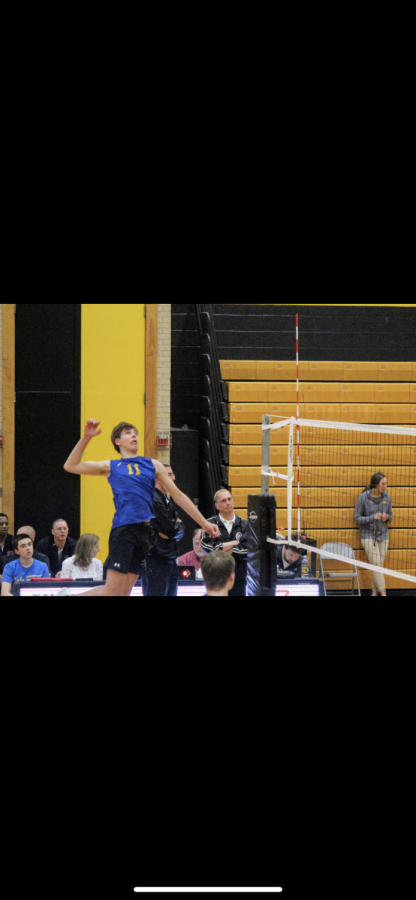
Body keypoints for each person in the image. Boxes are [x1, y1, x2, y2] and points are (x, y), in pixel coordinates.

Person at [61, 419, 220, 597]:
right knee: (112, 592)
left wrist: (204, 523)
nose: (134, 435)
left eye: (135, 432)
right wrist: (86, 438)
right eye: (128, 432)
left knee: (124, 593)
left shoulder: (152, 465)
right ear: (117, 441)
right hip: (124, 531)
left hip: (145, 534)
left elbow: (178, 495)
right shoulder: (112, 466)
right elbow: (70, 466)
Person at [141, 465, 184, 597]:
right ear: (159, 477)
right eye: (170, 474)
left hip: (169, 560)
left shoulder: (166, 500)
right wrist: (175, 527)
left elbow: (179, 530)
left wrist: (177, 527)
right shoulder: (153, 499)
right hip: (156, 561)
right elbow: (170, 529)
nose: (174, 478)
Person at [200, 489, 248, 596]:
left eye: (229, 499)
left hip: (238, 577)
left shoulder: (244, 524)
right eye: (223, 501)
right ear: (217, 506)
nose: (227, 503)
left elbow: (248, 550)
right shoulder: (210, 524)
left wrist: (221, 548)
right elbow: (206, 547)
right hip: (216, 577)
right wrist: (234, 543)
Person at [354, 472, 392, 597]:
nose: (386, 486)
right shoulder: (363, 497)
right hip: (367, 534)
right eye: (383, 484)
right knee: (375, 563)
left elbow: (391, 515)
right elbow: (357, 519)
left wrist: (387, 517)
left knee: (379, 565)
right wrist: (372, 517)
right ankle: (383, 592)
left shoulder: (386, 497)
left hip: (383, 533)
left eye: (386, 483)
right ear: (376, 485)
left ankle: (374, 592)